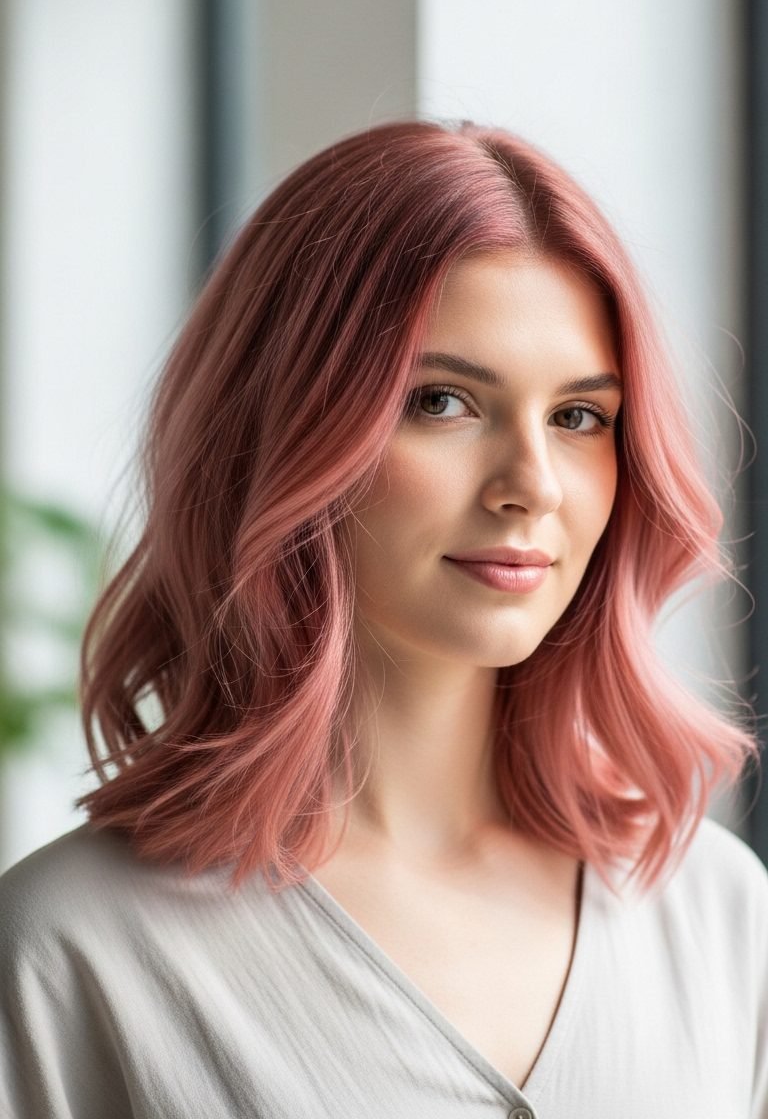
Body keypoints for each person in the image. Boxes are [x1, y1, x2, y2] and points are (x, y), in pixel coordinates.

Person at [0, 118, 766, 1119]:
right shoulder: (71, 952)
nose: (530, 485)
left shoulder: (715, 914)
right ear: (283, 429)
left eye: (580, 416)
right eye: (443, 401)